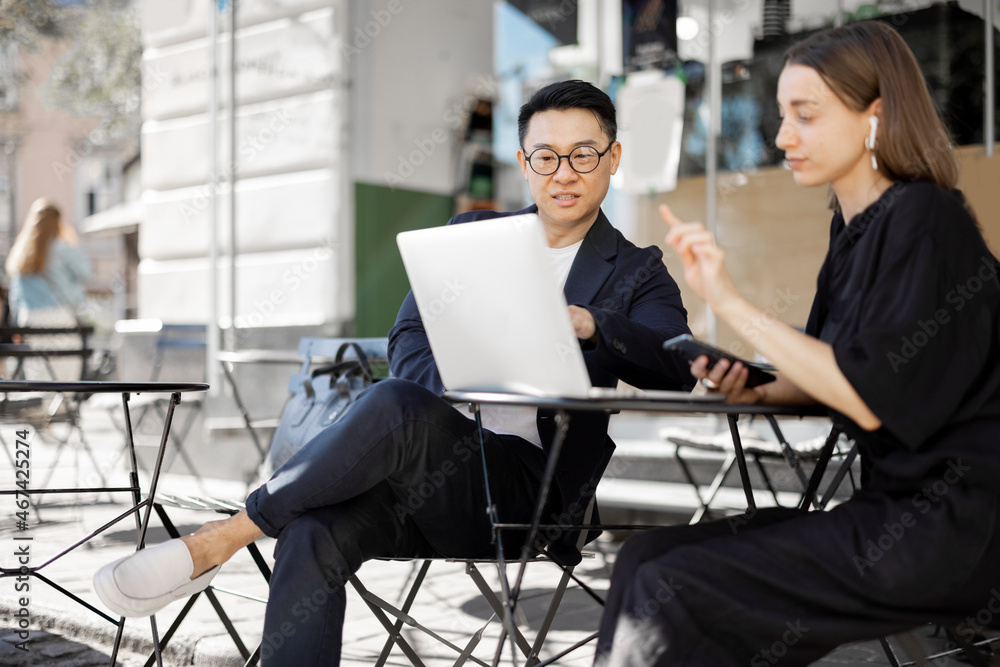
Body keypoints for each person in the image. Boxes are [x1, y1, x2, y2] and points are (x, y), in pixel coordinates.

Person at [93, 79, 693, 665]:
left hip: (526, 496)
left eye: (583, 154)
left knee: (396, 405)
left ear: (613, 158)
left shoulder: (637, 270)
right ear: (523, 162)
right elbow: (408, 335)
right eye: (546, 156)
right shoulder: (472, 236)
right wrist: (454, 396)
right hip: (425, 469)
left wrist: (589, 324)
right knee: (314, 527)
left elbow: (677, 365)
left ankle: (219, 540)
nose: (564, 172)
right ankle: (244, 541)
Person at [594, 21, 1000, 666]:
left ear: (876, 116)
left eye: (805, 116)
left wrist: (730, 303)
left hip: (950, 531)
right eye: (782, 114)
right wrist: (753, 383)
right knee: (646, 556)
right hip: (889, 513)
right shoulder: (854, 232)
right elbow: (823, 377)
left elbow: (868, 396)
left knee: (675, 590)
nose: (782, 137)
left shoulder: (924, 220)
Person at [5, 197, 91, 327]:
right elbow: (88, 274)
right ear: (58, 222)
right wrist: (72, 240)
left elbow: (16, 296)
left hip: (29, 319)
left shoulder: (21, 252)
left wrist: (16, 324)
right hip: (61, 319)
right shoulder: (63, 248)